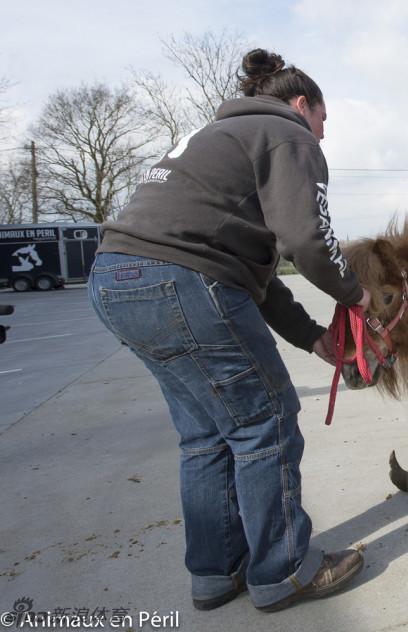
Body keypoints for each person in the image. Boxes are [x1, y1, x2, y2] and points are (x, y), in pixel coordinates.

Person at [88, 48, 370, 613]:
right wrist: (356, 294)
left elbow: (253, 272)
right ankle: (284, 571)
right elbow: (307, 242)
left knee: (207, 434)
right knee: (265, 423)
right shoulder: (288, 136)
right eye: (323, 119)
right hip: (183, 281)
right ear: (301, 104)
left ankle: (217, 573)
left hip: (116, 278)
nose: (322, 133)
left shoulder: (220, 138)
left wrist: (314, 334)